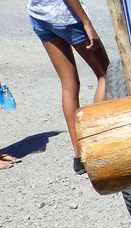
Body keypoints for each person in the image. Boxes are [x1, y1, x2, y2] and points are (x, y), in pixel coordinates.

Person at [27, 0, 109, 175]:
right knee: (106, 75)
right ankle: (95, 144)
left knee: (68, 84)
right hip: (67, 17)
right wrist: (86, 22)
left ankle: (80, 155)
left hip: (39, 15)